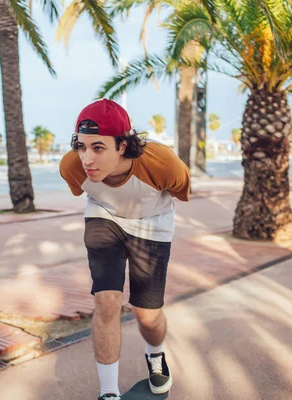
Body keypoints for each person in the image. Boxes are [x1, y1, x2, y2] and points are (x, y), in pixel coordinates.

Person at [59, 99, 190, 400]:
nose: (86, 158)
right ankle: (109, 393)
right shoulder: (72, 167)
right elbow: (85, 187)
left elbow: (180, 188)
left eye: (98, 147)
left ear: (122, 145)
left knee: (147, 315)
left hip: (152, 224)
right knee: (106, 302)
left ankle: (155, 355)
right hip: (105, 218)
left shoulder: (162, 163)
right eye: (81, 146)